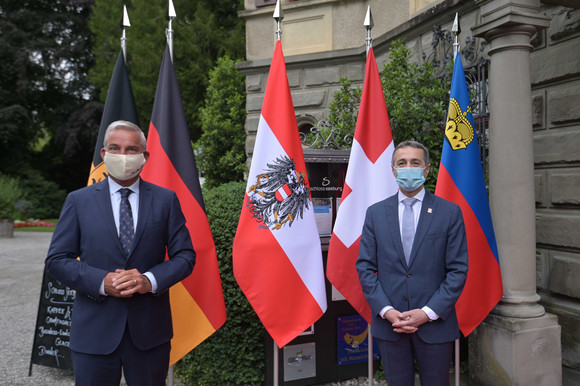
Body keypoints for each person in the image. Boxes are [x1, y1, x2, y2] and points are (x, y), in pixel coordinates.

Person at [45, 120, 196, 386]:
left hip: (150, 332)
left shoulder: (166, 200)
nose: (123, 156)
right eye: (115, 148)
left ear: (145, 156)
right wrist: (101, 282)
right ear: (104, 154)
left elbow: (185, 256)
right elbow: (57, 260)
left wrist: (148, 280)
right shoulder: (78, 201)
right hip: (94, 331)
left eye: (131, 149)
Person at [356, 140, 468, 386]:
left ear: (426, 169)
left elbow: (458, 270)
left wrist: (427, 313)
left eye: (415, 163)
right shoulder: (375, 213)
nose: (409, 168)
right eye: (402, 163)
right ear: (394, 170)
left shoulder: (449, 212)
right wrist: (387, 311)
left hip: (435, 326)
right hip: (391, 326)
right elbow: (364, 267)